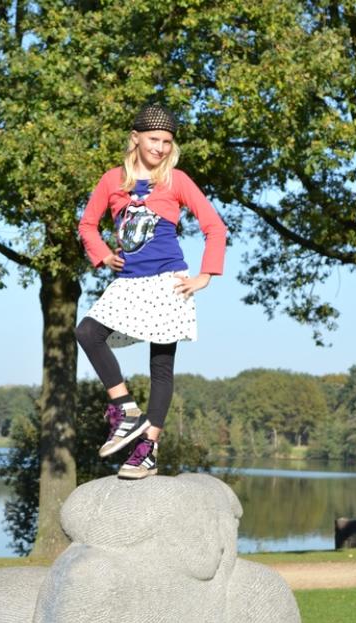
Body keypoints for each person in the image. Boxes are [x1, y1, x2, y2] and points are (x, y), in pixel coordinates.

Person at [76, 103, 227, 480]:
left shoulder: (177, 180)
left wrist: (206, 275)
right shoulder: (112, 180)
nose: (160, 147)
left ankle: (147, 450)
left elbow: (215, 227)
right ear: (136, 138)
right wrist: (102, 255)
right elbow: (87, 225)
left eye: (166, 142)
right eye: (153, 139)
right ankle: (125, 408)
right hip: (128, 283)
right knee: (88, 332)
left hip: (168, 281)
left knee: (161, 365)